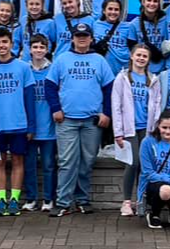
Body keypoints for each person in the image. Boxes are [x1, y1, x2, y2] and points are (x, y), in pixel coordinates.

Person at [46, 23, 116, 217]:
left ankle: (82, 200)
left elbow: (109, 89)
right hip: (66, 119)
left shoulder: (99, 60)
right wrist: (56, 109)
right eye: (78, 36)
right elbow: (50, 86)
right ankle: (63, 203)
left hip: (92, 121)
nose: (82, 38)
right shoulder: (62, 59)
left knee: (87, 161)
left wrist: (106, 113)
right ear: (73, 38)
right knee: (67, 161)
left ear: (91, 38)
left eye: (85, 36)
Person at [0, 27, 36, 217]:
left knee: (18, 161)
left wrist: (31, 125)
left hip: (19, 123)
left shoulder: (23, 67)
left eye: (5, 42)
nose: (1, 46)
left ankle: (14, 200)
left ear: (12, 44)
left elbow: (30, 98)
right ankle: (1, 200)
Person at [111, 47, 162, 218]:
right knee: (132, 164)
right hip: (129, 129)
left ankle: (141, 200)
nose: (141, 58)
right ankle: (126, 201)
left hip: (147, 129)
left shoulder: (153, 80)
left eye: (144, 56)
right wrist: (118, 131)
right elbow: (116, 106)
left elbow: (157, 106)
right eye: (138, 55)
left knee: (145, 165)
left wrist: (156, 130)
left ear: (148, 59)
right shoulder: (122, 78)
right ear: (132, 56)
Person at [22, 36, 58, 212]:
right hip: (29, 127)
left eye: (41, 47)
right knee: (29, 165)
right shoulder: (24, 69)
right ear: (30, 49)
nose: (38, 50)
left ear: (47, 49)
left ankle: (48, 199)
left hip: (48, 127)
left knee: (49, 165)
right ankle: (31, 198)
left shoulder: (53, 69)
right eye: (35, 46)